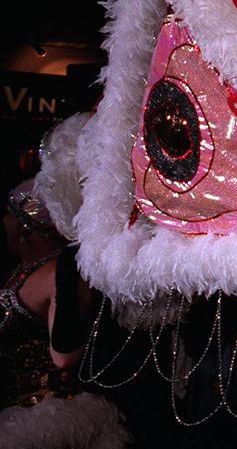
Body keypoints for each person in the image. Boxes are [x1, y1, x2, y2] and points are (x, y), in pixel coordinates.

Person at [0, 180, 129, 448]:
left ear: (27, 227)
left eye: (10, 214)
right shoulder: (22, 269)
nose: (4, 220)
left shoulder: (61, 272)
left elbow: (64, 356)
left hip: (43, 412)